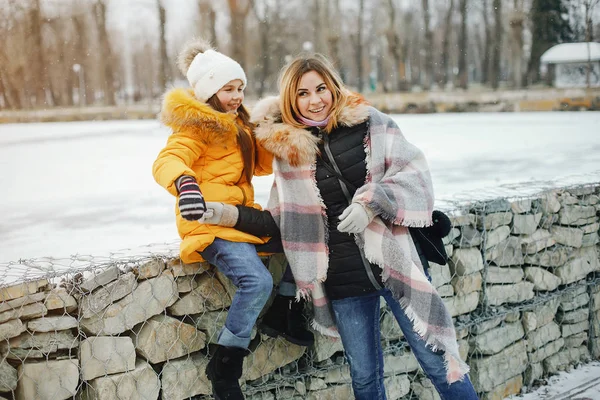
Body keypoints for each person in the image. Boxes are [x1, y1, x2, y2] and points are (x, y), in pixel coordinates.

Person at [204, 54, 479, 400]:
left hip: (396, 262)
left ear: (333, 87)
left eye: (321, 89)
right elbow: (283, 223)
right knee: (364, 378)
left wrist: (373, 203)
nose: (315, 100)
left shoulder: (370, 123)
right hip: (343, 279)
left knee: (438, 361)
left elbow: (415, 175)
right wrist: (227, 214)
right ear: (290, 100)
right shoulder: (289, 153)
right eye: (303, 93)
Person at [151, 38, 276, 400]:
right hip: (207, 223)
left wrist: (279, 131)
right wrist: (186, 183)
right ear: (209, 91)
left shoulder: (237, 123)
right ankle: (226, 364)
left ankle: (286, 315)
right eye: (228, 89)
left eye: (240, 88)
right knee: (257, 282)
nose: (237, 95)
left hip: (238, 219)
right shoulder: (196, 127)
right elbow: (167, 160)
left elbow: (261, 166)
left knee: (305, 241)